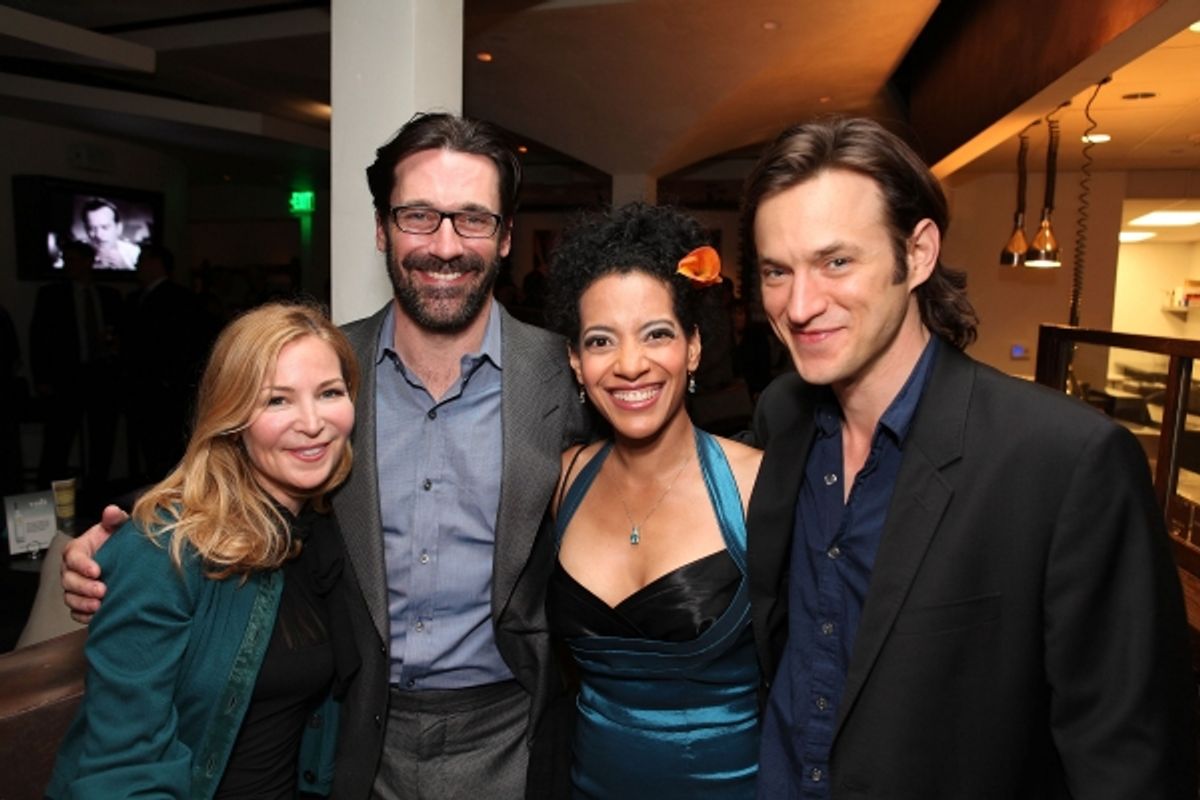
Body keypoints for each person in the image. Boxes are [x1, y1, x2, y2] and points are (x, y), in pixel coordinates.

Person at [62, 112, 591, 800]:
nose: (445, 245)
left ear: (506, 237)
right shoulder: (323, 372)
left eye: (473, 219)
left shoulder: (569, 376)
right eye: (419, 216)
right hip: (346, 734)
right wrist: (127, 543)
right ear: (381, 228)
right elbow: (227, 468)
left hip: (516, 737)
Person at [740, 116, 1196, 798]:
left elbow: (1126, 759)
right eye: (778, 271)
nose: (800, 305)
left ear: (918, 253)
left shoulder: (1065, 462)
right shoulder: (781, 417)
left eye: (837, 261)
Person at [47, 301, 359, 799]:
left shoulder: (330, 531)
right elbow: (122, 774)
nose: (312, 421)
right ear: (232, 417)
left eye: (329, 393)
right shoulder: (165, 550)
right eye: (277, 400)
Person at [545, 203, 762, 798]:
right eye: (600, 341)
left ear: (693, 347)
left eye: (657, 334)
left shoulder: (757, 486)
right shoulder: (558, 484)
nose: (630, 365)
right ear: (575, 360)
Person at [29, 239, 124, 493]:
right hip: (66, 376)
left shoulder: (110, 295)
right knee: (58, 440)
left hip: (102, 375)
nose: (69, 265)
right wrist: (42, 377)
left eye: (74, 260)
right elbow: (39, 338)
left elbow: (123, 335)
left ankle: (97, 494)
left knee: (102, 439)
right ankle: (46, 499)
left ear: (87, 262)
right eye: (66, 260)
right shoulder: (52, 294)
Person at [81, 198, 141, 270]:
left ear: (118, 228)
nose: (98, 235)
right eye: (92, 228)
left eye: (105, 227)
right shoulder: (76, 256)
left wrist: (125, 266)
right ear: (86, 230)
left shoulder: (135, 253)